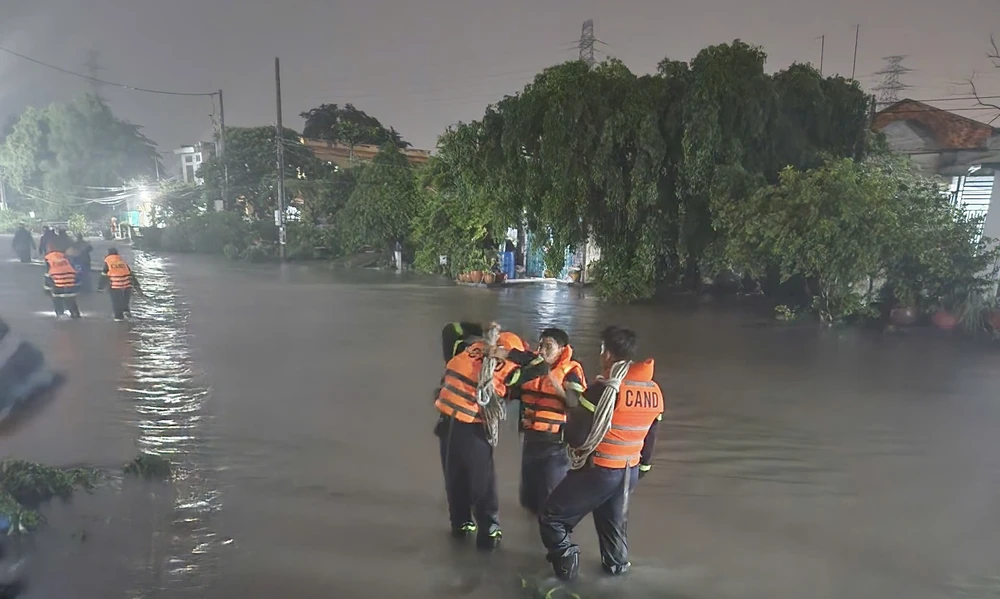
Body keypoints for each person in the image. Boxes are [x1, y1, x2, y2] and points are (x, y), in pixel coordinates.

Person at [538, 326, 664, 581]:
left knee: (552, 518)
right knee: (613, 529)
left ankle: (566, 578)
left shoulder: (601, 390)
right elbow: (650, 439)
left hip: (599, 471)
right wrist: (642, 470)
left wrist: (562, 433)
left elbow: (577, 435)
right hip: (628, 473)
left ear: (607, 353)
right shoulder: (653, 391)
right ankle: (616, 578)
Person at [434, 323, 547, 551]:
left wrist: (481, 328)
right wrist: (508, 354)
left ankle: (461, 524)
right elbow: (540, 367)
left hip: (447, 422)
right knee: (482, 481)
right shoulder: (508, 369)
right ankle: (489, 529)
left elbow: (450, 329)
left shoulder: (466, 349)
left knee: (455, 477)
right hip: (472, 427)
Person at [518, 328, 586, 515]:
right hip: (531, 439)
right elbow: (515, 389)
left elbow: (575, 404)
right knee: (528, 499)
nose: (542, 351)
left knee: (551, 498)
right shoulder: (532, 367)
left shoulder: (571, 371)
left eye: (548, 347)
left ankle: (550, 535)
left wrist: (556, 386)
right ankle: (531, 535)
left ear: (562, 349)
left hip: (555, 444)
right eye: (540, 345)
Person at [97, 248, 142, 321]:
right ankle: (126, 313)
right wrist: (137, 286)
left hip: (116, 285)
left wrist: (100, 287)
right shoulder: (122, 261)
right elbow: (130, 274)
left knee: (116, 302)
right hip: (127, 285)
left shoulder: (108, 261)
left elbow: (104, 275)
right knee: (125, 301)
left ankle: (119, 318)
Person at [43, 239, 81, 319]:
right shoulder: (65, 257)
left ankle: (60, 314)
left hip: (58, 283)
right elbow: (75, 270)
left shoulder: (49, 259)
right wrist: (77, 284)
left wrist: (46, 288)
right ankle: (75, 314)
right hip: (70, 282)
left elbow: (48, 274)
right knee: (71, 299)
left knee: (57, 299)